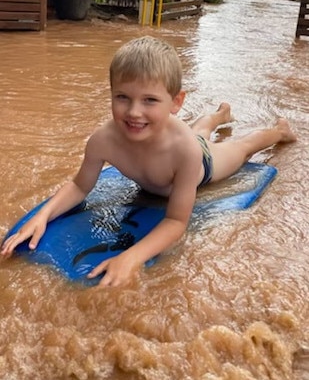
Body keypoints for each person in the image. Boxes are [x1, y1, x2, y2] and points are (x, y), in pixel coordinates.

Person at [1, 36, 297, 287]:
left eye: (150, 101)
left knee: (242, 148)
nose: (134, 112)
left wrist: (131, 256)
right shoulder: (103, 140)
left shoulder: (186, 152)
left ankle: (279, 131)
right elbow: (80, 185)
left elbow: (176, 220)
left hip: (203, 165)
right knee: (200, 131)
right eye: (122, 97)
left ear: (175, 102)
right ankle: (220, 114)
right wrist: (44, 215)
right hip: (176, 141)